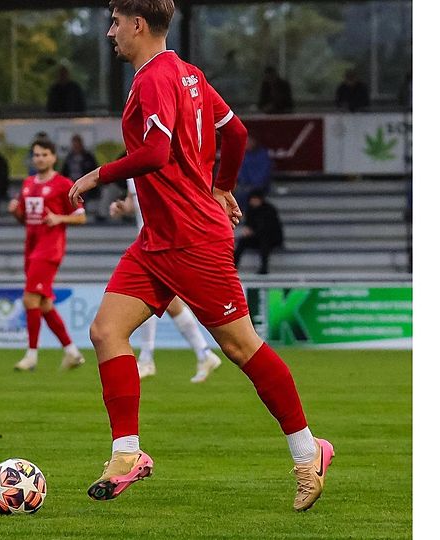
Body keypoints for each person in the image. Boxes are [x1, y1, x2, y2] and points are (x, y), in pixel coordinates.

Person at [68, 0, 333, 512]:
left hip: (193, 240)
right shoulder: (188, 74)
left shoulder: (152, 79)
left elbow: (155, 154)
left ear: (138, 24)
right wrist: (223, 185)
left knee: (241, 347)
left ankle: (309, 452)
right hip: (157, 241)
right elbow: (235, 131)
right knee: (106, 331)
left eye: (115, 23)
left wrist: (97, 175)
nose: (110, 33)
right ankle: (127, 453)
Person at [109, 181, 223, 382]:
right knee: (168, 303)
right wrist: (122, 207)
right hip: (148, 245)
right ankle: (204, 353)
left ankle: (147, 360)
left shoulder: (157, 166)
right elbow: (133, 201)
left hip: (164, 245)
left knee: (143, 297)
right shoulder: (131, 173)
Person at [8, 139, 88, 371]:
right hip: (31, 247)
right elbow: (26, 220)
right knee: (43, 304)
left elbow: (81, 216)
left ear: (53, 157)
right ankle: (72, 352)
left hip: (50, 248)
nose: (40, 159)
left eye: (44, 154)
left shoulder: (64, 184)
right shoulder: (27, 184)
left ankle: (31, 356)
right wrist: (15, 212)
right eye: (36, 155)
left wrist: (59, 218)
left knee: (29, 299)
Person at [234, 190, 284, 275]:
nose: (253, 201)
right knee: (242, 241)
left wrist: (254, 232)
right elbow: (248, 224)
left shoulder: (269, 210)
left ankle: (264, 267)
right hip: (256, 237)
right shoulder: (250, 210)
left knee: (264, 240)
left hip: (271, 238)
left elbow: (270, 228)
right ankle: (234, 266)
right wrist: (248, 231)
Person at [234, 134, 273, 211]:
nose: (247, 143)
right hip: (244, 185)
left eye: (249, 141)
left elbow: (264, 174)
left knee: (246, 193)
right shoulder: (241, 154)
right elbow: (239, 172)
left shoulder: (263, 155)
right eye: (245, 141)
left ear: (254, 142)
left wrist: (252, 184)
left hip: (260, 185)